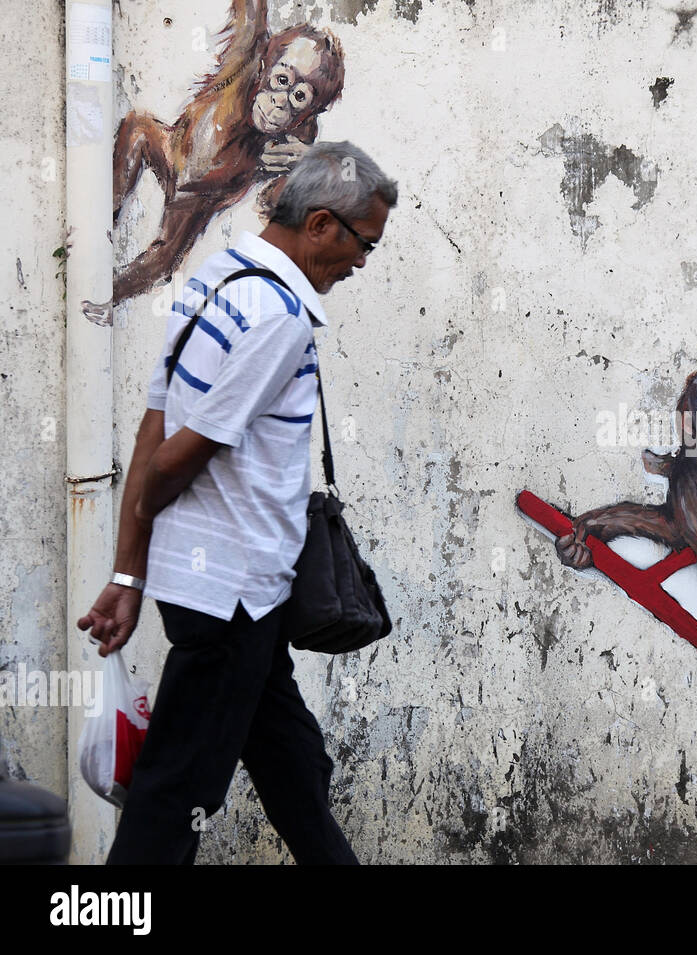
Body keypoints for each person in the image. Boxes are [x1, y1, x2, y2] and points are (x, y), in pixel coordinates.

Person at [76, 141, 397, 864]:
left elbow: (152, 423)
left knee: (294, 768)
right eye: (363, 244)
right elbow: (178, 455)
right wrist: (142, 539)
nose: (363, 262)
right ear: (321, 224)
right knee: (172, 798)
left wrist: (131, 573)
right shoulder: (279, 315)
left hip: (227, 593)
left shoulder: (215, 276)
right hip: (234, 597)